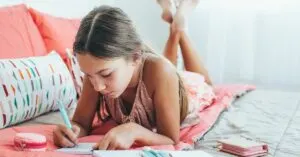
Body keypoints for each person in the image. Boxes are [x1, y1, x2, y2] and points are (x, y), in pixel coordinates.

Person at [53, 0, 212, 150]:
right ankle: (174, 21)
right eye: (88, 75)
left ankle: (179, 27)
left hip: (186, 90)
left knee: (202, 81)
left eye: (107, 74)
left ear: (135, 57)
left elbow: (171, 138)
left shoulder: (161, 71)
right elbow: (80, 123)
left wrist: (134, 131)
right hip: (161, 78)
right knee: (166, 67)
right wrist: (70, 132)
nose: (98, 87)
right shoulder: (95, 73)